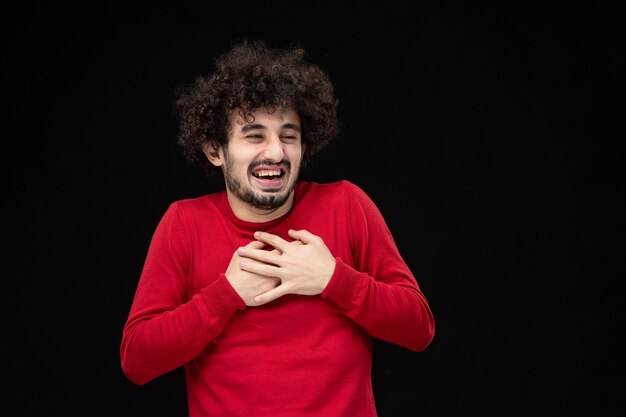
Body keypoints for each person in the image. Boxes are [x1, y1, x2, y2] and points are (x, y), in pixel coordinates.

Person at [120, 39, 435, 417]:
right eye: (254, 135)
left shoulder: (347, 205)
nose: (276, 153)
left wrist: (334, 278)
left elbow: (419, 329)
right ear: (214, 150)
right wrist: (226, 295)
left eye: (289, 135)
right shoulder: (184, 224)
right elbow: (137, 360)